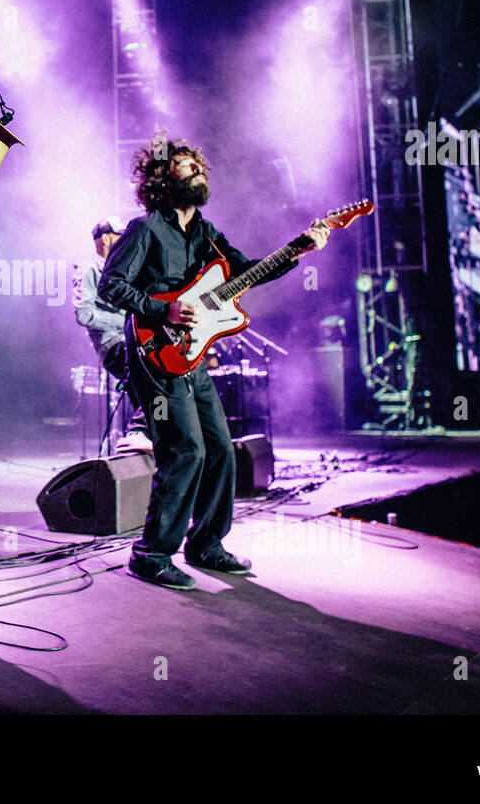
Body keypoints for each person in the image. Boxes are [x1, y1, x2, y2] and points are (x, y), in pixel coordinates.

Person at [98, 132, 328, 590]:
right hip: (153, 349)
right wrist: (163, 308)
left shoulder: (204, 231)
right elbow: (111, 287)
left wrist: (297, 250)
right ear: (163, 178)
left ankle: (205, 544)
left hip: (194, 352)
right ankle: (150, 553)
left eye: (198, 164)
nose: (197, 170)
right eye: (185, 165)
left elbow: (246, 272)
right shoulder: (145, 230)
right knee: (187, 450)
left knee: (222, 449)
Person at [73, 216, 151, 453]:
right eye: (121, 237)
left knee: (151, 391)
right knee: (155, 378)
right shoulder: (88, 270)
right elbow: (83, 313)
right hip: (114, 345)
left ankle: (145, 442)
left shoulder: (123, 271)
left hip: (132, 341)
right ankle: (139, 432)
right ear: (106, 239)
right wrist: (126, 321)